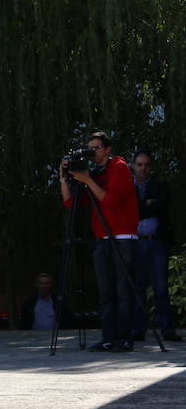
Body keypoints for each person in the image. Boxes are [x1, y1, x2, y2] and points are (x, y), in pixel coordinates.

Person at [60, 131, 139, 352]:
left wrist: (87, 180)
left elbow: (112, 201)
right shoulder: (94, 173)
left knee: (123, 291)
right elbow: (72, 204)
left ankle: (124, 338)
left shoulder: (119, 167)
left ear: (107, 149)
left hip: (123, 237)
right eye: (90, 148)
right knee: (106, 293)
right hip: (102, 237)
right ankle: (107, 339)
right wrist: (64, 178)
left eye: (96, 148)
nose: (92, 152)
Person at [131, 151, 179, 341]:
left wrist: (142, 206)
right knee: (138, 287)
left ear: (151, 167)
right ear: (133, 166)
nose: (143, 168)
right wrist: (146, 205)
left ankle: (167, 330)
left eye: (147, 165)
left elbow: (160, 207)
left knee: (160, 288)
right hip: (136, 242)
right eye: (140, 165)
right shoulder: (128, 188)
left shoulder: (161, 186)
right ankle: (138, 329)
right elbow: (131, 211)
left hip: (156, 242)